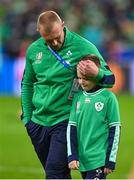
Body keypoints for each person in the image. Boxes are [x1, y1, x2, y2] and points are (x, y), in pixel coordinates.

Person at [21, 11, 115, 179]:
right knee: (60, 174)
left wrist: (97, 73)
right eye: (49, 40)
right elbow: (27, 84)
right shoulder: (33, 50)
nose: (55, 42)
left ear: (63, 25)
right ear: (38, 31)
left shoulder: (83, 46)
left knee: (54, 173)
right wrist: (28, 119)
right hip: (38, 124)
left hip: (65, 120)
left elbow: (110, 80)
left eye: (58, 36)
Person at [67, 55, 121, 179]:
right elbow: (72, 128)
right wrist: (72, 155)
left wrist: (110, 159)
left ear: (96, 74)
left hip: (99, 160)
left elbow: (115, 129)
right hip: (83, 161)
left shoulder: (108, 98)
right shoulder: (77, 97)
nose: (81, 82)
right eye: (79, 78)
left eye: (86, 78)